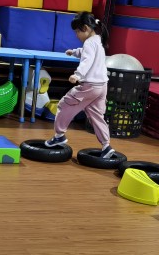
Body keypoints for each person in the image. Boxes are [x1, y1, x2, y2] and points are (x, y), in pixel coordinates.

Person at [44, 12, 116, 159]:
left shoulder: (89, 42)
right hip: (102, 86)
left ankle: (59, 135)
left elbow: (87, 60)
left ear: (86, 28)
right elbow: (88, 53)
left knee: (64, 105)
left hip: (89, 86)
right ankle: (106, 145)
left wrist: (77, 75)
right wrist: (75, 52)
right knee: (96, 115)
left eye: (77, 31)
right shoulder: (98, 39)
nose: (76, 35)